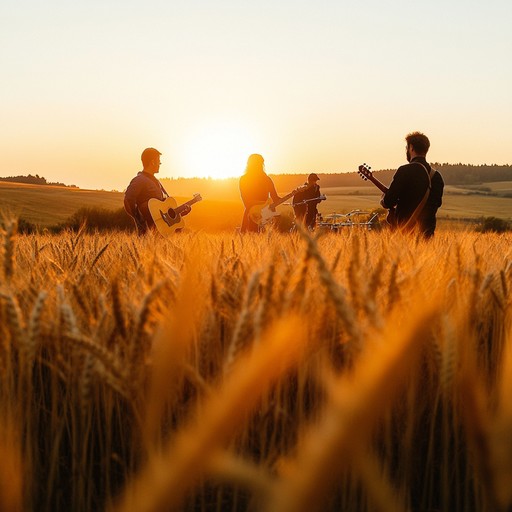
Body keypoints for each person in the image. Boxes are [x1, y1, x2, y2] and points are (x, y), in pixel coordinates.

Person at [381, 132, 444, 237]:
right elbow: (436, 204)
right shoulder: (437, 177)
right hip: (427, 235)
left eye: (407, 147)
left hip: (404, 233)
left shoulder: (404, 171)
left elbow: (389, 201)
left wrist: (383, 200)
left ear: (411, 148)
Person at [124, 147, 190, 235]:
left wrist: (180, 212)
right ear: (153, 162)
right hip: (149, 235)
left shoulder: (156, 182)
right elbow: (128, 200)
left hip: (162, 232)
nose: (160, 164)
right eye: (158, 161)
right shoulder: (139, 180)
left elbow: (163, 212)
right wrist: (139, 219)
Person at [239, 154, 281, 233]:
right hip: (252, 215)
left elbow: (276, 198)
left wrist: (294, 193)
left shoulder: (267, 179)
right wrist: (265, 203)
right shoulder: (244, 179)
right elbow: (246, 202)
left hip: (266, 215)